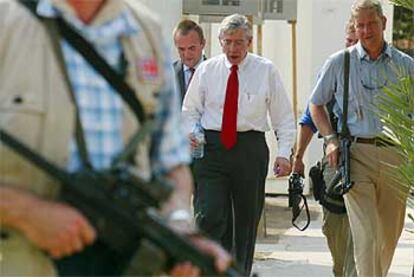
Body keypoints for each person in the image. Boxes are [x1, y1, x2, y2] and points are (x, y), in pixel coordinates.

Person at [0, 0, 230, 276]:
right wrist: (25, 213)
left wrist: (179, 228)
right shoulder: (7, 22)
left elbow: (170, 164)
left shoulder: (144, 31)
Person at [182, 14, 296, 275]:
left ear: (250, 41)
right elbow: (189, 111)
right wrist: (192, 132)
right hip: (212, 149)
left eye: (239, 42)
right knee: (209, 215)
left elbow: (283, 118)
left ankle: (238, 271)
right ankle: (209, 270)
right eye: (228, 42)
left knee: (245, 222)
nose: (233, 49)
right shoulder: (207, 70)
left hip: (249, 148)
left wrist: (284, 154)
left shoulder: (265, 70)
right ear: (219, 42)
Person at [309, 1, 414, 276]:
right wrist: (330, 138)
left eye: (372, 24)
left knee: (388, 238)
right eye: (360, 25)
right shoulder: (339, 62)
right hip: (356, 156)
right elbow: (316, 104)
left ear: (384, 23)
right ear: (354, 27)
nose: (366, 31)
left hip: (396, 158)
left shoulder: (406, 66)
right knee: (366, 238)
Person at [292, 20, 358, 277]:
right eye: (349, 41)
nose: (352, 47)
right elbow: (310, 117)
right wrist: (298, 158)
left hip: (370, 160)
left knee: (363, 242)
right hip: (336, 163)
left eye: (357, 42)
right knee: (335, 231)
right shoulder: (332, 70)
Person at [173, 19, 206, 102]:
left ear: (203, 44)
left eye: (191, 48)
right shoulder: (169, 74)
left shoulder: (216, 73)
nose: (187, 54)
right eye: (181, 49)